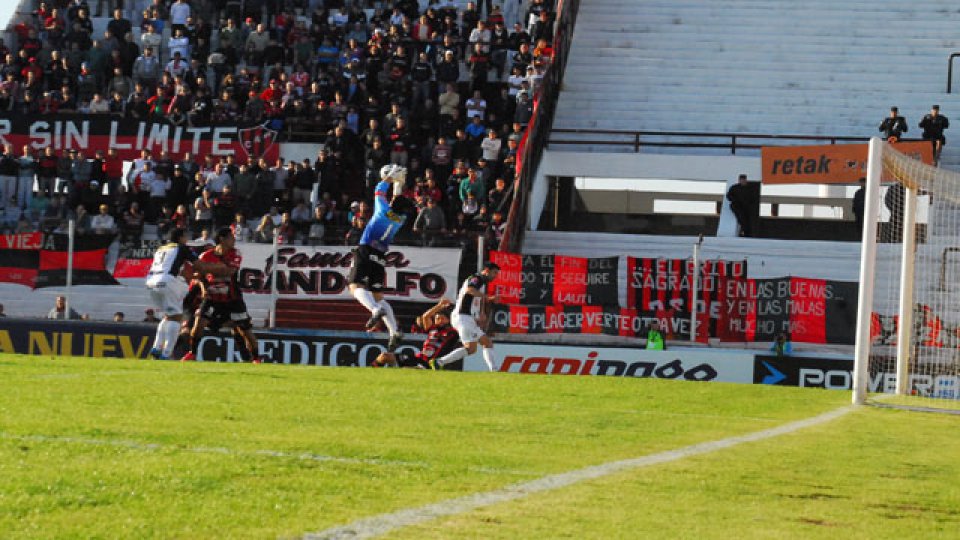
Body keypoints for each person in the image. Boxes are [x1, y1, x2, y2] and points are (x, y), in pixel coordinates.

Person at [348, 164, 410, 352]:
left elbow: (379, 190)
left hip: (366, 250)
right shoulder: (401, 219)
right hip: (381, 257)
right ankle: (394, 331)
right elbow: (397, 200)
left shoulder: (382, 210)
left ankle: (374, 310)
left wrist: (391, 176)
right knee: (378, 296)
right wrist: (400, 182)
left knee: (354, 286)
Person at [182, 228, 267, 363]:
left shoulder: (235, 253)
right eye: (231, 237)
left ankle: (256, 358)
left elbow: (229, 272)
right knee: (199, 324)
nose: (234, 240)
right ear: (222, 239)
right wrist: (204, 284)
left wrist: (207, 268)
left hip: (233, 299)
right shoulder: (206, 255)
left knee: (246, 331)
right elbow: (198, 275)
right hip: (212, 298)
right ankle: (192, 353)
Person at [145, 228, 230, 360]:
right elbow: (199, 265)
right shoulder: (182, 248)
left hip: (151, 282)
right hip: (167, 281)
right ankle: (166, 354)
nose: (187, 240)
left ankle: (156, 348)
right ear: (180, 238)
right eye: (185, 237)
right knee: (177, 317)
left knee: (168, 316)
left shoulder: (161, 248)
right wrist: (218, 268)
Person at [433, 262, 501, 371]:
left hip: (466, 318)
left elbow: (477, 298)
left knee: (476, 347)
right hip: (463, 317)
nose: (495, 276)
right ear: (487, 270)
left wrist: (481, 313)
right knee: (479, 344)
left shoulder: (482, 283)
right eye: (494, 273)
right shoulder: (476, 278)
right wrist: (489, 298)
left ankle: (439, 362)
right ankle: (494, 370)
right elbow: (470, 290)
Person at [373, 299, 461, 369]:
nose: (440, 321)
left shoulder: (453, 332)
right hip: (418, 358)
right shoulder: (432, 329)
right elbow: (425, 316)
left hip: (431, 364)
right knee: (384, 356)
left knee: (408, 370)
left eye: (443, 318)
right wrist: (439, 305)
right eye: (437, 318)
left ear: (448, 320)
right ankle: (371, 374)